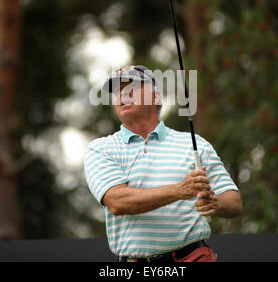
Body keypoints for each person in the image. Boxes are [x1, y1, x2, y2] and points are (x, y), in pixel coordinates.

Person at [84, 65, 242, 262]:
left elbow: (234, 202)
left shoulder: (194, 144)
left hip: (193, 257)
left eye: (131, 86)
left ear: (155, 96)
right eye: (117, 91)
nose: (123, 94)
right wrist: (179, 190)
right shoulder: (101, 149)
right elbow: (117, 202)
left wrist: (215, 202)